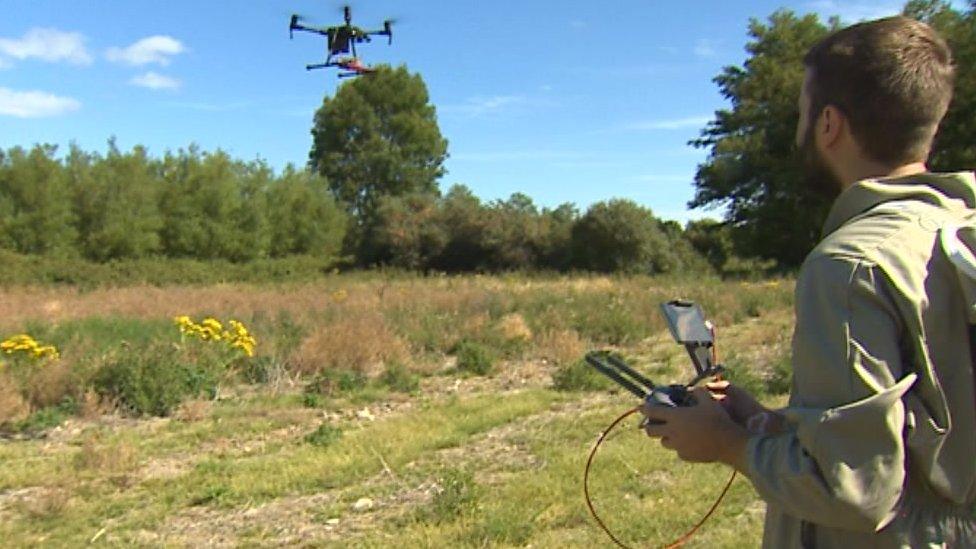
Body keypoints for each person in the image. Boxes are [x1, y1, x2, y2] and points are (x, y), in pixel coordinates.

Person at [642, 16, 976, 547]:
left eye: (800, 112)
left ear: (827, 124)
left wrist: (728, 444)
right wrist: (764, 421)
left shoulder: (850, 264)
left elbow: (854, 491)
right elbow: (926, 439)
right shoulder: (956, 232)